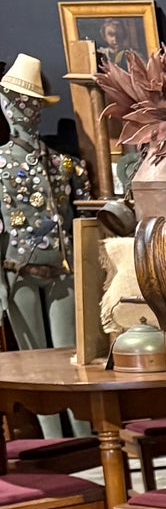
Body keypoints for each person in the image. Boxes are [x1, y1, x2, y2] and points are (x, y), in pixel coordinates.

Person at [0, 56, 90, 433]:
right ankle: (54, 444)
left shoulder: (65, 165)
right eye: (17, 102)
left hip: (62, 272)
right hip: (16, 272)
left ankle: (87, 436)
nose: (24, 110)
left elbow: (85, 216)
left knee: (71, 358)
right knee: (35, 362)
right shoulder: (1, 164)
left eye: (30, 104)